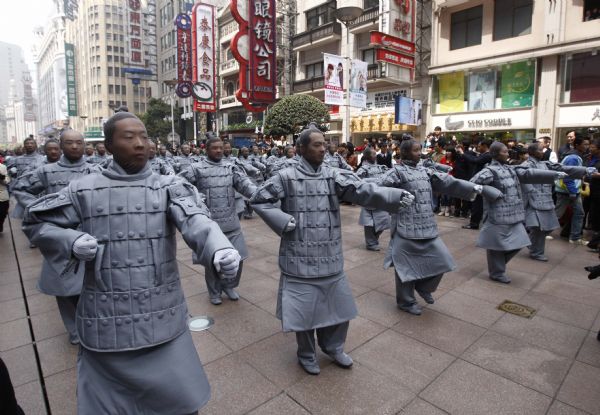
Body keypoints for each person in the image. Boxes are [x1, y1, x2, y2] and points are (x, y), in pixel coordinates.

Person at [22, 112, 240, 414]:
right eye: (128, 137)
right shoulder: (83, 189)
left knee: (179, 401)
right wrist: (69, 241)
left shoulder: (167, 185)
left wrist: (219, 249)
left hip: (161, 311)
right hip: (105, 318)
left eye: (143, 136)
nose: (140, 143)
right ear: (109, 145)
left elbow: (197, 221)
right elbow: (35, 222)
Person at [250, 123, 415, 375]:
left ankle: (334, 346)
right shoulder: (285, 177)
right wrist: (282, 221)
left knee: (339, 308)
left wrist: (392, 196)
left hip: (329, 255)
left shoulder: (332, 174)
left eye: (324, 144)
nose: (323, 149)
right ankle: (305, 353)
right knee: (303, 311)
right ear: (301, 148)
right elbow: (259, 199)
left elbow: (361, 189)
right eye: (317, 144)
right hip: (299, 256)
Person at [13, 130, 103, 344]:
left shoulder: (97, 169)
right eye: (69, 143)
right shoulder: (46, 171)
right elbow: (21, 189)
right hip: (60, 234)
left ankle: (96, 324)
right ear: (61, 146)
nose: (74, 147)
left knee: (96, 283)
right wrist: (42, 210)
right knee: (64, 286)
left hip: (92, 232)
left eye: (79, 143)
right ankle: (74, 331)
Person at [378, 139, 484, 315]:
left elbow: (449, 183)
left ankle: (423, 286)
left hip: (427, 225)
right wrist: (394, 199)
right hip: (405, 226)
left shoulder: (425, 171)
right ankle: (406, 301)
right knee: (405, 267)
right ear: (404, 153)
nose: (419, 153)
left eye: (420, 150)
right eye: (415, 150)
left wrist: (475, 188)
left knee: (443, 260)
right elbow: (378, 189)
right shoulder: (395, 172)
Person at [470, 142, 567, 284]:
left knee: (520, 242)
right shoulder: (489, 171)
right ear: (496, 154)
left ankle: (498, 267)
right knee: (496, 247)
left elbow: (530, 174)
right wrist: (489, 191)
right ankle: (497, 272)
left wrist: (554, 175)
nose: (508, 153)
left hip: (513, 214)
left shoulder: (511, 168)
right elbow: (472, 184)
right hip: (496, 215)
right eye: (504, 152)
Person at [179, 137, 257, 305]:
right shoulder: (196, 168)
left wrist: (260, 195)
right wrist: (195, 198)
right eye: (215, 148)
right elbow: (180, 185)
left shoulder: (231, 167)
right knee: (213, 262)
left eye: (221, 148)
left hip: (231, 221)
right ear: (206, 149)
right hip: (211, 225)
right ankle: (214, 291)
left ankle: (229, 286)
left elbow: (245, 185)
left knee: (239, 256)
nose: (219, 151)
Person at [521, 142, 594, 261]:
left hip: (545, 200)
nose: (542, 152)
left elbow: (562, 168)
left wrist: (584, 170)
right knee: (537, 227)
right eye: (540, 150)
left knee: (547, 226)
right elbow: (528, 178)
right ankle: (535, 250)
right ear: (532, 152)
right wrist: (553, 174)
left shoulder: (544, 164)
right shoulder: (526, 165)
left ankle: (532, 244)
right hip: (532, 201)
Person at [554, 135, 591, 245]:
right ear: (577, 145)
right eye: (585, 144)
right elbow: (568, 176)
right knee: (557, 214)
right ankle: (542, 232)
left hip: (571, 190)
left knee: (578, 213)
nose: (587, 146)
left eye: (588, 144)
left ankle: (575, 237)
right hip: (567, 190)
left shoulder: (577, 156)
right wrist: (573, 191)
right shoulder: (573, 157)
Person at [356, 147, 390, 251]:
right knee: (369, 223)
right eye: (373, 154)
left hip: (380, 196)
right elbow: (358, 181)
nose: (376, 155)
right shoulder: (363, 169)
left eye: (375, 154)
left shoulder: (381, 167)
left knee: (385, 220)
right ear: (367, 156)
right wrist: (374, 181)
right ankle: (371, 243)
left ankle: (374, 239)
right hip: (369, 198)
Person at [460, 138, 493, 229]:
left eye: (479, 146)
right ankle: (475, 222)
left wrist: (463, 153)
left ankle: (474, 223)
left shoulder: (487, 155)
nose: (478, 148)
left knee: (477, 203)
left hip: (481, 182)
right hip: (481, 182)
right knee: (477, 202)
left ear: (484, 146)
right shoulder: (485, 155)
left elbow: (475, 160)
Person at [587, 138, 600, 250]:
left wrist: (594, 174)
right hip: (592, 190)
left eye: (593, 147)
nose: (590, 149)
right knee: (594, 215)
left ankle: (595, 242)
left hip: (598, 191)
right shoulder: (591, 158)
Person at [0, 163, 9, 233]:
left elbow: (7, 180)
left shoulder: (2, 167)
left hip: (2, 196)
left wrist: (2, 178)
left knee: (2, 213)